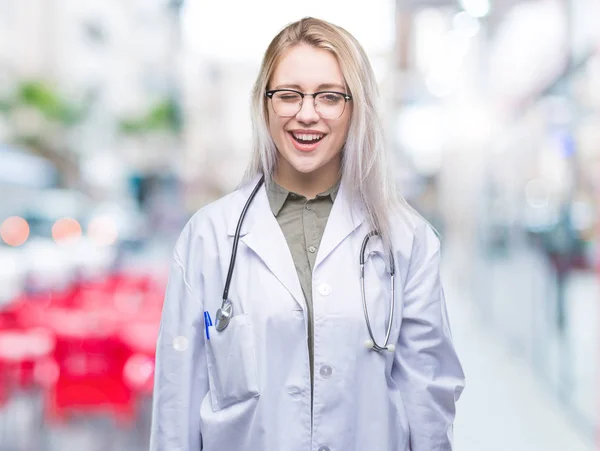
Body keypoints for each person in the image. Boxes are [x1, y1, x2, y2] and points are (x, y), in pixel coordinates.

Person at [149, 17, 465, 451]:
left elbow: (427, 398)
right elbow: (176, 401)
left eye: (330, 97)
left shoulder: (407, 239)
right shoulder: (208, 236)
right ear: (265, 104)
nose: (307, 113)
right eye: (289, 95)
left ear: (356, 108)